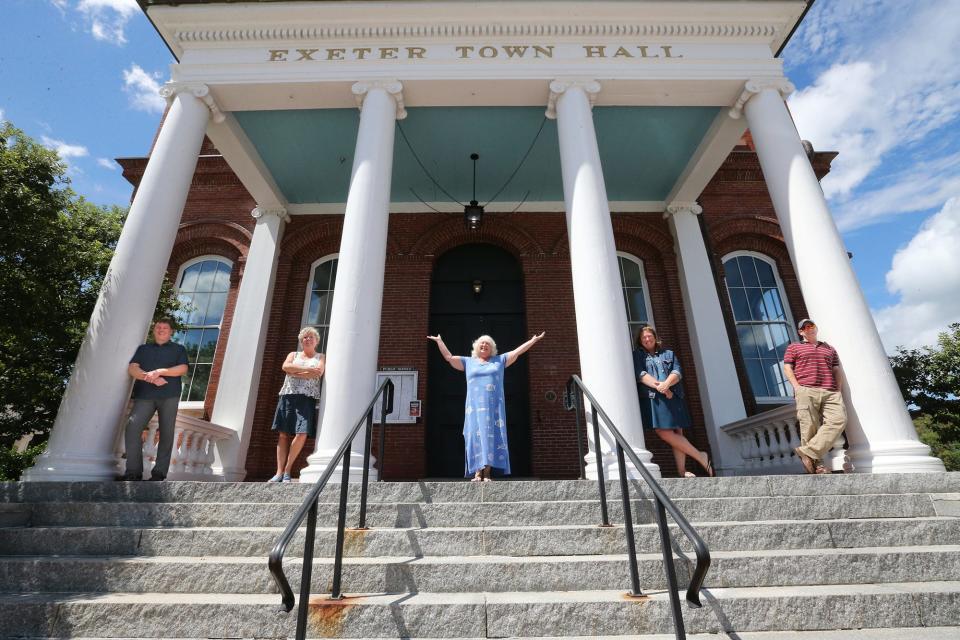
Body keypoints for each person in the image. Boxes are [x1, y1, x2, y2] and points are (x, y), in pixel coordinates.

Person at [428, 331, 545, 482]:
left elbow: (517, 352)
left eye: (488, 344)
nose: (484, 345)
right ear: (476, 347)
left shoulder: (500, 360)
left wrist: (533, 341)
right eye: (482, 343)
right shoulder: (468, 362)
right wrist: (439, 341)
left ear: (492, 348)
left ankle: (487, 472)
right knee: (474, 437)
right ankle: (477, 473)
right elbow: (449, 358)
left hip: (493, 408)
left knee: (491, 437)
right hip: (474, 409)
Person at [633, 325, 713, 478]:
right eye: (644, 338)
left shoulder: (669, 354)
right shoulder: (637, 355)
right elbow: (641, 375)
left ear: (655, 338)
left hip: (673, 396)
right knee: (663, 432)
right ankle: (701, 456)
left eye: (649, 336)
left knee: (677, 432)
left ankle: (682, 471)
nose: (647, 339)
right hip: (655, 398)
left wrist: (667, 385)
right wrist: (661, 388)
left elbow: (677, 372)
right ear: (640, 341)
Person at [120, 318, 189, 481]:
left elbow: (182, 369)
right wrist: (149, 377)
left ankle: (159, 473)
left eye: (165, 328)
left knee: (166, 433)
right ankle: (133, 472)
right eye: (158, 327)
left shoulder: (179, 349)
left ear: (171, 332)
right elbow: (132, 368)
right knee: (132, 427)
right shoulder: (143, 349)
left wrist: (159, 371)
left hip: (169, 395)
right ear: (154, 330)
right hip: (144, 395)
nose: (161, 330)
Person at [783, 318, 847, 474]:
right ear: (801, 332)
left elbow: (836, 370)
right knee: (809, 427)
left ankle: (808, 451)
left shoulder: (829, 349)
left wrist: (838, 388)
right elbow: (787, 367)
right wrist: (797, 388)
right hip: (806, 389)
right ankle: (818, 466)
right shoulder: (794, 347)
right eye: (805, 327)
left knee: (839, 420)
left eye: (811, 325)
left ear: (816, 328)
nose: (809, 328)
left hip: (830, 391)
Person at [269, 327, 326, 482]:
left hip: (307, 398)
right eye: (305, 337)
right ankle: (279, 472)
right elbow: (286, 367)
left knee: (301, 433)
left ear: (316, 341)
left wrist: (295, 372)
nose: (308, 339)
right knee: (283, 433)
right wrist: (307, 369)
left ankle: (287, 470)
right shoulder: (292, 355)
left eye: (311, 337)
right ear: (301, 341)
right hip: (288, 395)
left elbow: (318, 372)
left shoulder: (320, 357)